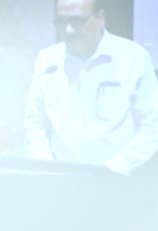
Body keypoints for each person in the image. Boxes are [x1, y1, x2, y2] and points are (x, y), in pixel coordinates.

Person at [25, 0, 158, 175]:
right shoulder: (47, 61)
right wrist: (46, 169)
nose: (68, 30)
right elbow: (35, 124)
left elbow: (151, 126)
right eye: (61, 22)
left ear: (100, 18)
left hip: (117, 179)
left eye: (76, 21)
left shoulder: (134, 58)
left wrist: (114, 169)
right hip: (58, 178)